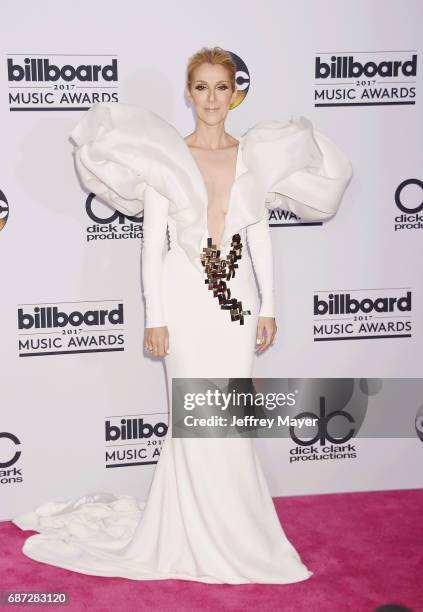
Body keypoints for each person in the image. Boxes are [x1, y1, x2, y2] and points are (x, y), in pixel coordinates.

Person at [12, 47, 353, 583]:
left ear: (235, 92)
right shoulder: (165, 156)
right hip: (184, 297)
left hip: (237, 301)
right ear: (188, 93)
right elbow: (152, 247)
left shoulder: (250, 157)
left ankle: (239, 531)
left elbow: (258, 233)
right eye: (201, 87)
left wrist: (271, 304)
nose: (212, 98)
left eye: (221, 87)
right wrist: (157, 317)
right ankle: (188, 533)